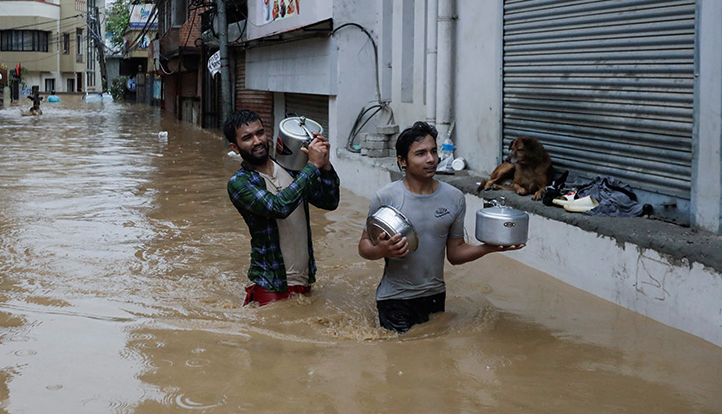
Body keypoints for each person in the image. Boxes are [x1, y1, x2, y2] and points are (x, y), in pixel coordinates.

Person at [358, 121, 524, 333]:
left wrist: (489, 247)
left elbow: (455, 253)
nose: (431, 159)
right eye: (420, 154)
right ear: (402, 161)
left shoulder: (453, 198)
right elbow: (364, 245)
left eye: (433, 151)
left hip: (435, 295)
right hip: (395, 298)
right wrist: (380, 250)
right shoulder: (386, 197)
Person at [224, 110, 340, 306]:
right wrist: (312, 166)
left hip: (304, 280)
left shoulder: (291, 169)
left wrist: (326, 166)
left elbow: (329, 202)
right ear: (235, 147)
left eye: (260, 133)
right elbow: (278, 207)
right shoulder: (239, 183)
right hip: (270, 284)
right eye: (247, 138)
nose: (257, 141)